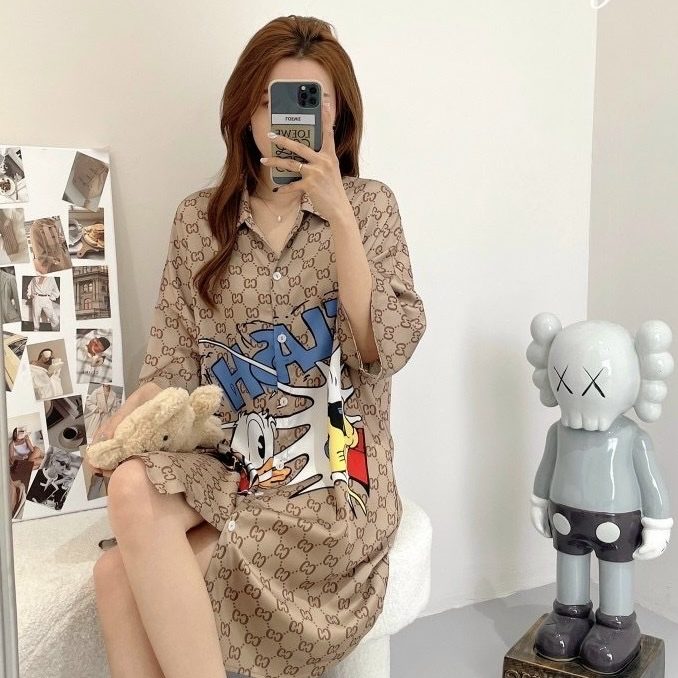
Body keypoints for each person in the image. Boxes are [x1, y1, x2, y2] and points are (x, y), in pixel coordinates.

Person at [91, 15, 427, 678]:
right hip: (234, 464)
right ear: (247, 112)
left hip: (331, 475)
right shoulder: (199, 221)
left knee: (114, 577)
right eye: (277, 104)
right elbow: (171, 366)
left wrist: (338, 214)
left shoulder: (370, 207)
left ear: (337, 115)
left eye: (314, 103)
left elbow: (383, 348)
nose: (292, 123)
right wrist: (123, 423)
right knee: (129, 487)